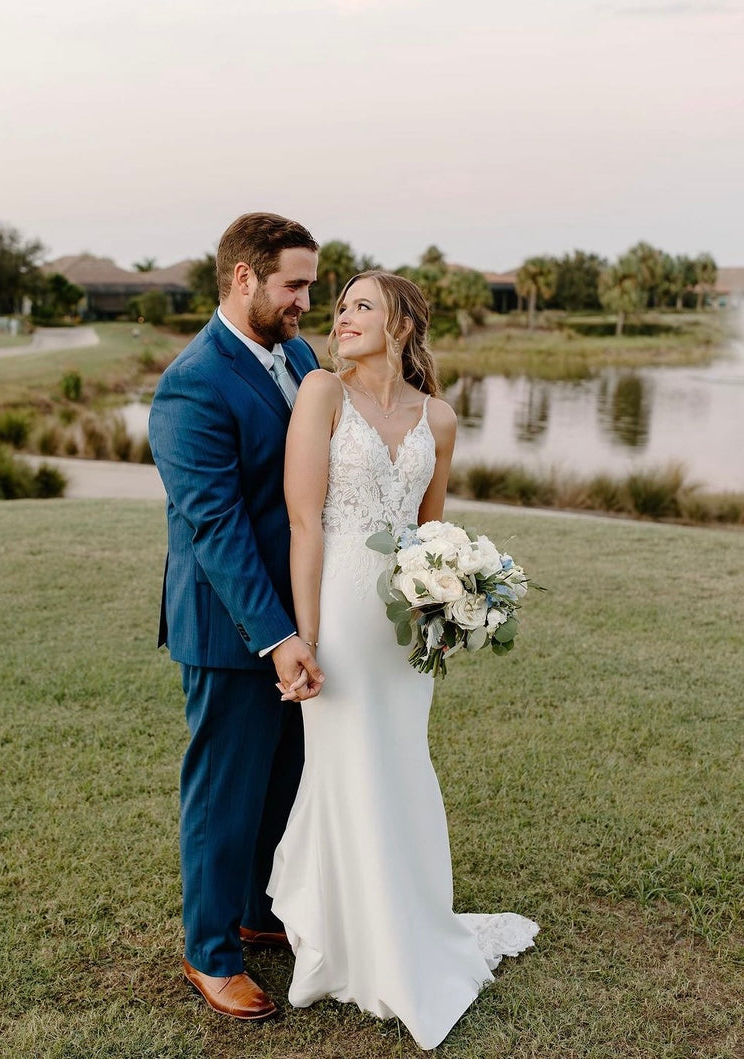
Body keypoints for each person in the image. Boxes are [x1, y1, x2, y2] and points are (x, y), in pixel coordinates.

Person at [268, 271, 538, 1050]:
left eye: (362, 305)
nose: (343, 317)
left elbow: (432, 530)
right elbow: (303, 521)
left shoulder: (441, 419)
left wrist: (448, 599)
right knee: (346, 767)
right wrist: (307, 639)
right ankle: (351, 944)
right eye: (340, 306)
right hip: (343, 619)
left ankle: (408, 926)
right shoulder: (321, 392)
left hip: (407, 628)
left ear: (403, 323)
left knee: (400, 763)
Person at [148, 212, 325, 1022]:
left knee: (281, 781)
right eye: (293, 284)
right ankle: (210, 951)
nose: (304, 301)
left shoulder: (298, 355)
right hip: (232, 629)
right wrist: (276, 635)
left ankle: (258, 911)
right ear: (244, 278)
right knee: (224, 792)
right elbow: (216, 528)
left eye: (311, 286)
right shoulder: (193, 383)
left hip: (299, 620)